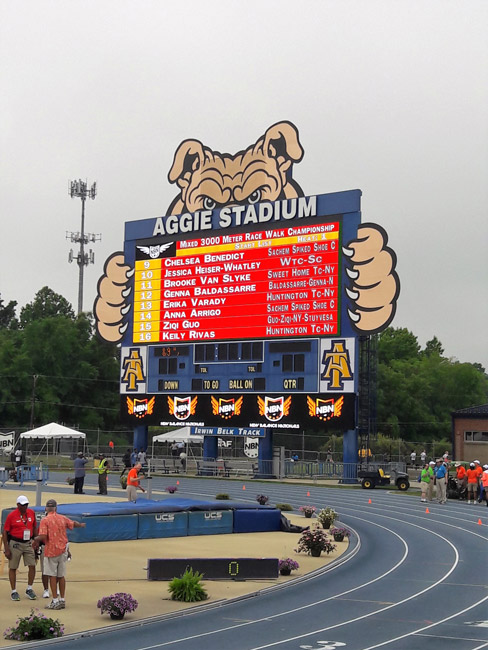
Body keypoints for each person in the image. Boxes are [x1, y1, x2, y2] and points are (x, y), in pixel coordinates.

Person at [33, 499, 85, 610]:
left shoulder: (45, 520)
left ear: (46, 508)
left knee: (52, 575)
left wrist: (35, 540)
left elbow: (43, 536)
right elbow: (72, 524)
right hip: (62, 550)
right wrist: (80, 525)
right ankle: (62, 599)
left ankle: (55, 600)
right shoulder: (62, 518)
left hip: (51, 551)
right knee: (61, 576)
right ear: (56, 508)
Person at [2, 495, 38, 601]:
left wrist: (36, 541)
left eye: (26, 505)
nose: (25, 507)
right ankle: (13, 591)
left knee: (32, 565)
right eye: (23, 505)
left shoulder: (31, 513)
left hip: (28, 542)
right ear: (18, 505)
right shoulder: (11, 515)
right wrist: (7, 548)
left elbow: (34, 526)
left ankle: (29, 588)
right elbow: (5, 531)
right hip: (15, 543)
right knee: (13, 567)